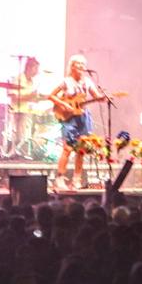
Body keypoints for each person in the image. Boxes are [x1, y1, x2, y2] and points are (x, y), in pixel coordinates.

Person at [51, 54, 107, 189]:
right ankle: (60, 178)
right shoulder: (66, 81)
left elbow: (96, 96)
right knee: (68, 148)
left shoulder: (87, 81)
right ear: (72, 66)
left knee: (81, 149)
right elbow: (51, 95)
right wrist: (63, 104)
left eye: (83, 64)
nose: (82, 67)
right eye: (79, 64)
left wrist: (102, 97)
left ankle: (77, 179)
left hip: (83, 116)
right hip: (69, 118)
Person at [3, 58, 51, 160]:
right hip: (17, 110)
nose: (37, 71)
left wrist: (49, 97)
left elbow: (33, 98)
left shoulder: (32, 81)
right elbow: (13, 96)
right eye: (36, 68)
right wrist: (30, 96)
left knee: (24, 134)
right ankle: (13, 152)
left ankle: (21, 152)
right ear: (30, 67)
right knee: (17, 134)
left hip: (26, 110)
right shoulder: (18, 79)